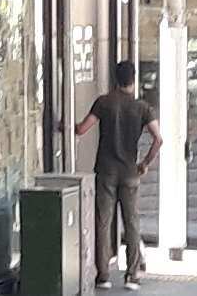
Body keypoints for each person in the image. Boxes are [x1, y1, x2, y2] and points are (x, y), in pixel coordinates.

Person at [70, 70, 158, 290]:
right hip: (130, 173)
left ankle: (103, 275)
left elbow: (81, 129)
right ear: (133, 80)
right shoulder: (142, 108)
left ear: (116, 80)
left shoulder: (104, 103)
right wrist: (145, 163)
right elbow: (158, 138)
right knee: (132, 223)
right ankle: (132, 275)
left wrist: (64, 126)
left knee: (103, 222)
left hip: (106, 171)